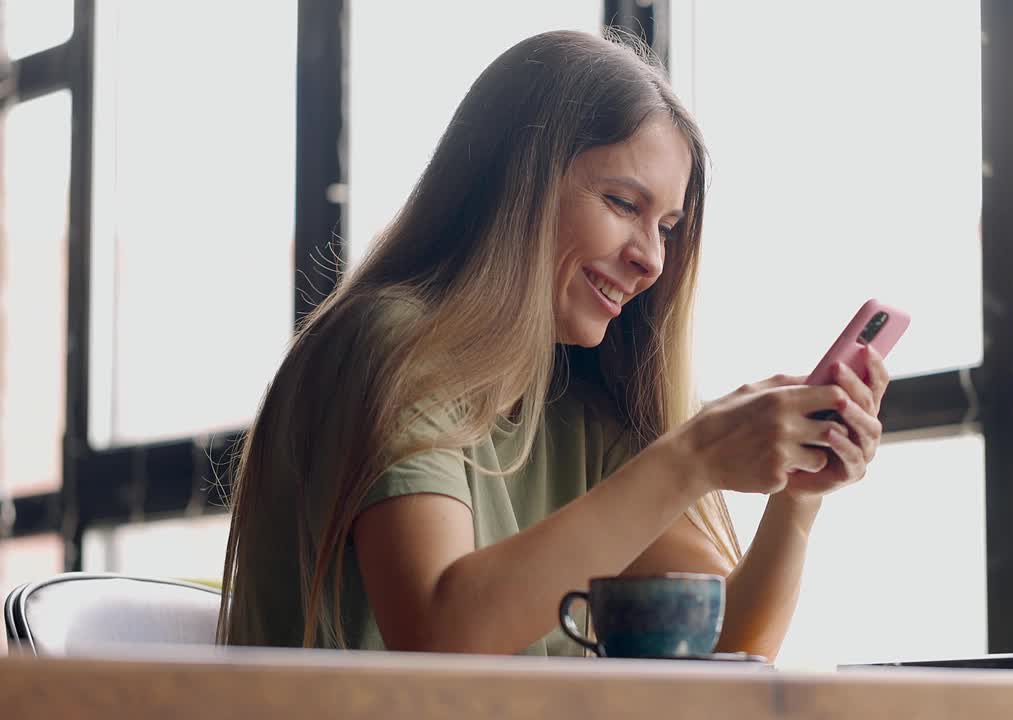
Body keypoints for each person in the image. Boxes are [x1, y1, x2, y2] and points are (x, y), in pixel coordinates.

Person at [217, 29, 889, 661]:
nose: (652, 259)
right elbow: (438, 636)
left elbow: (723, 651)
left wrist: (796, 503)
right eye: (624, 204)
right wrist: (694, 456)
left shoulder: (578, 407)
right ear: (520, 185)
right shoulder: (391, 346)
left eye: (669, 225)